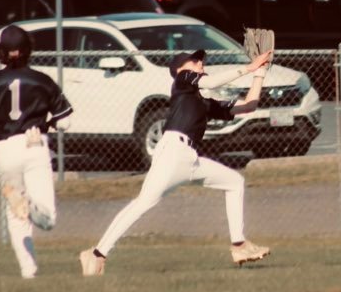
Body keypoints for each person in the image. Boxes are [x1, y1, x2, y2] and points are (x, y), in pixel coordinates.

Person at [80, 48, 272, 276]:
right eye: (193, 61)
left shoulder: (203, 101)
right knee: (143, 203)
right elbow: (209, 82)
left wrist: (260, 73)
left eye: (200, 60)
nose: (199, 63)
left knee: (234, 181)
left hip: (190, 159)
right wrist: (248, 68)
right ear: (180, 69)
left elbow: (249, 106)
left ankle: (239, 246)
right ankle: (97, 254)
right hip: (172, 153)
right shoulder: (182, 80)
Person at [0, 25, 73, 279]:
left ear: (1, 52)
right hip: (35, 144)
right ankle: (30, 204)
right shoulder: (42, 80)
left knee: (16, 218)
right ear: (28, 50)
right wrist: (48, 124)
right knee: (48, 219)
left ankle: (28, 271)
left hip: (5, 149)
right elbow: (66, 121)